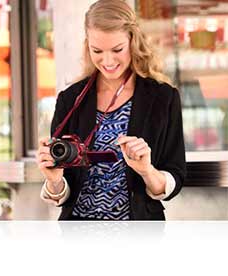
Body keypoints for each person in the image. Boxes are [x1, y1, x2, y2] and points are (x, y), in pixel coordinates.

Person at [37, 0, 186, 220]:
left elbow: (175, 177)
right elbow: (62, 189)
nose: (107, 61)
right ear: (87, 44)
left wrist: (147, 171)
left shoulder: (163, 98)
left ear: (133, 41)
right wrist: (54, 180)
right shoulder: (70, 100)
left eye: (117, 49)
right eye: (97, 50)